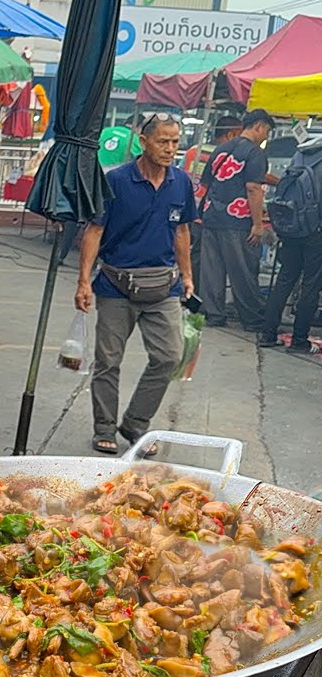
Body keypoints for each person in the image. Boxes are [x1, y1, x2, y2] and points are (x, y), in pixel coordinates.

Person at [75, 114, 195, 456]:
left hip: (163, 287)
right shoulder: (116, 181)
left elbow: (182, 231)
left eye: (175, 142)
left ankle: (136, 423)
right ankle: (104, 428)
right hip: (116, 286)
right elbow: (94, 231)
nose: (170, 149)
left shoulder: (181, 183)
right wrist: (84, 281)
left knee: (170, 356)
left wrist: (187, 276)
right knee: (108, 361)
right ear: (144, 141)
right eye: (163, 141)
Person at [198, 108, 273, 329]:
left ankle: (213, 315)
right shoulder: (254, 153)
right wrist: (258, 224)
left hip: (212, 217)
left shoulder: (221, 149)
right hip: (238, 220)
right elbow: (253, 188)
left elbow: (205, 183)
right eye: (266, 131)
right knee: (242, 270)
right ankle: (251, 318)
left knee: (212, 270)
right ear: (259, 126)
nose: (266, 137)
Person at [259, 138, 322, 352]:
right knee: (311, 285)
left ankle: (267, 335)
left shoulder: (302, 153)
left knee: (285, 279)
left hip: (292, 225)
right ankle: (299, 341)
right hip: (316, 231)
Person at [187, 116, 244, 293]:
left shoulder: (193, 151)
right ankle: (202, 299)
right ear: (230, 134)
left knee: (194, 258)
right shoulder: (226, 155)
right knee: (211, 262)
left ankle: (191, 296)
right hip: (210, 213)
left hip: (190, 212)